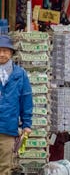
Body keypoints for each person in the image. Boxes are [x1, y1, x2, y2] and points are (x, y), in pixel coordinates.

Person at [0, 35, 31, 175]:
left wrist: (27, 124)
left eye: (6, 51)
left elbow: (26, 100)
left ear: (11, 53)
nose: (2, 54)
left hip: (8, 128)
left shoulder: (20, 74)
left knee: (5, 167)